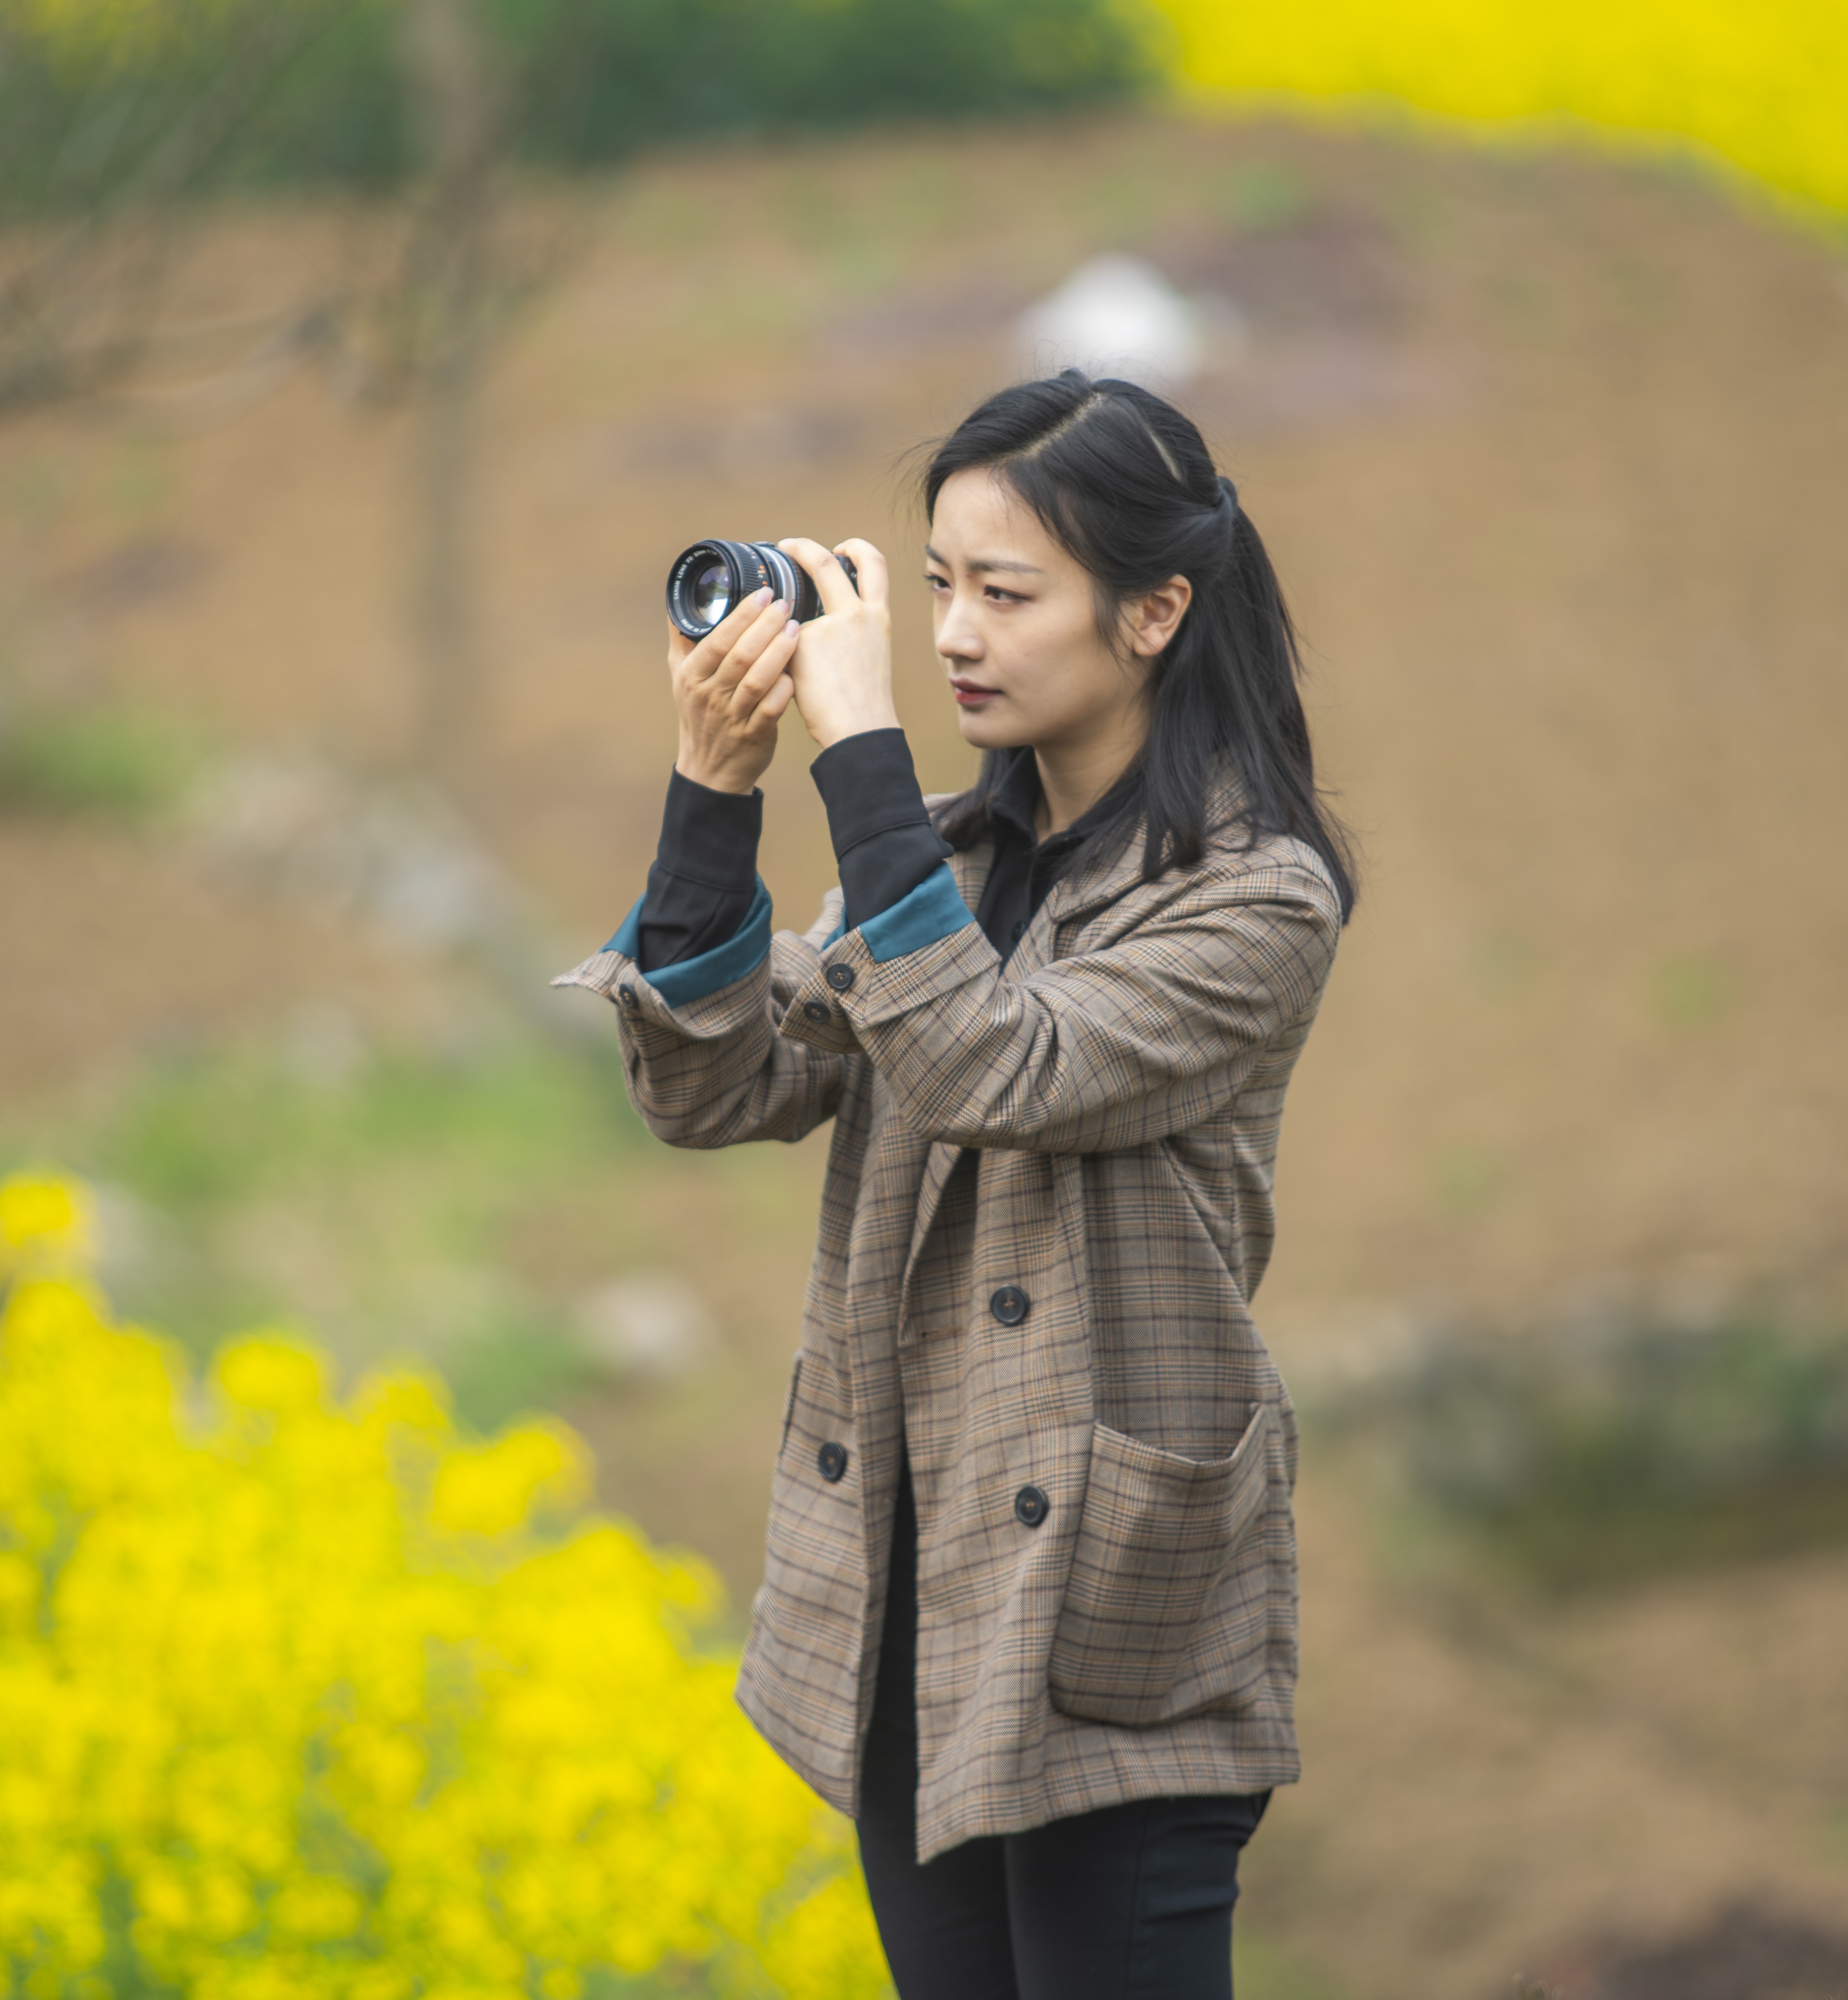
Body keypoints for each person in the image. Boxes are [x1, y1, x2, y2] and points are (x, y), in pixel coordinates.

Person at [555, 370, 1358, 1999]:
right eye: (935, 588)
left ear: (1154, 612)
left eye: (1006, 592)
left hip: (1106, 1617)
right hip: (910, 1594)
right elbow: (715, 1085)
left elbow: (1002, 1063)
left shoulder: (1254, 896)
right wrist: (716, 785)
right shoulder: (955, 860)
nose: (954, 636)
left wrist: (854, 763)